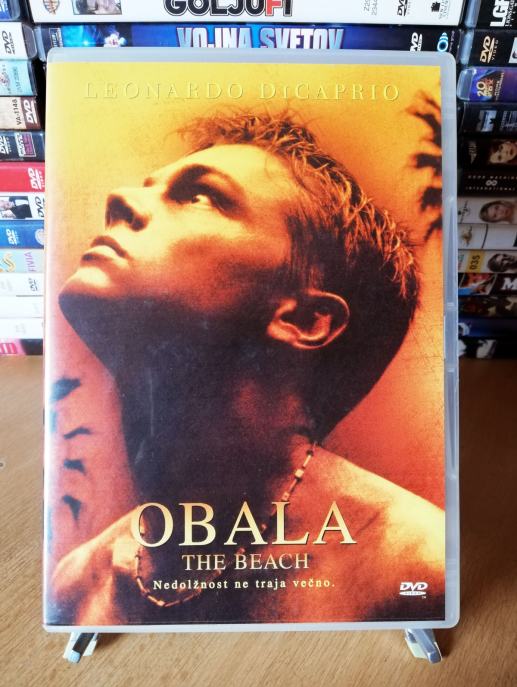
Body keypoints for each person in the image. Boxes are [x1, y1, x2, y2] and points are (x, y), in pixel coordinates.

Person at [50, 113, 445, 626]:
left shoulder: (415, 566)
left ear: (305, 319)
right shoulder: (77, 584)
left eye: (200, 196)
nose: (119, 198)